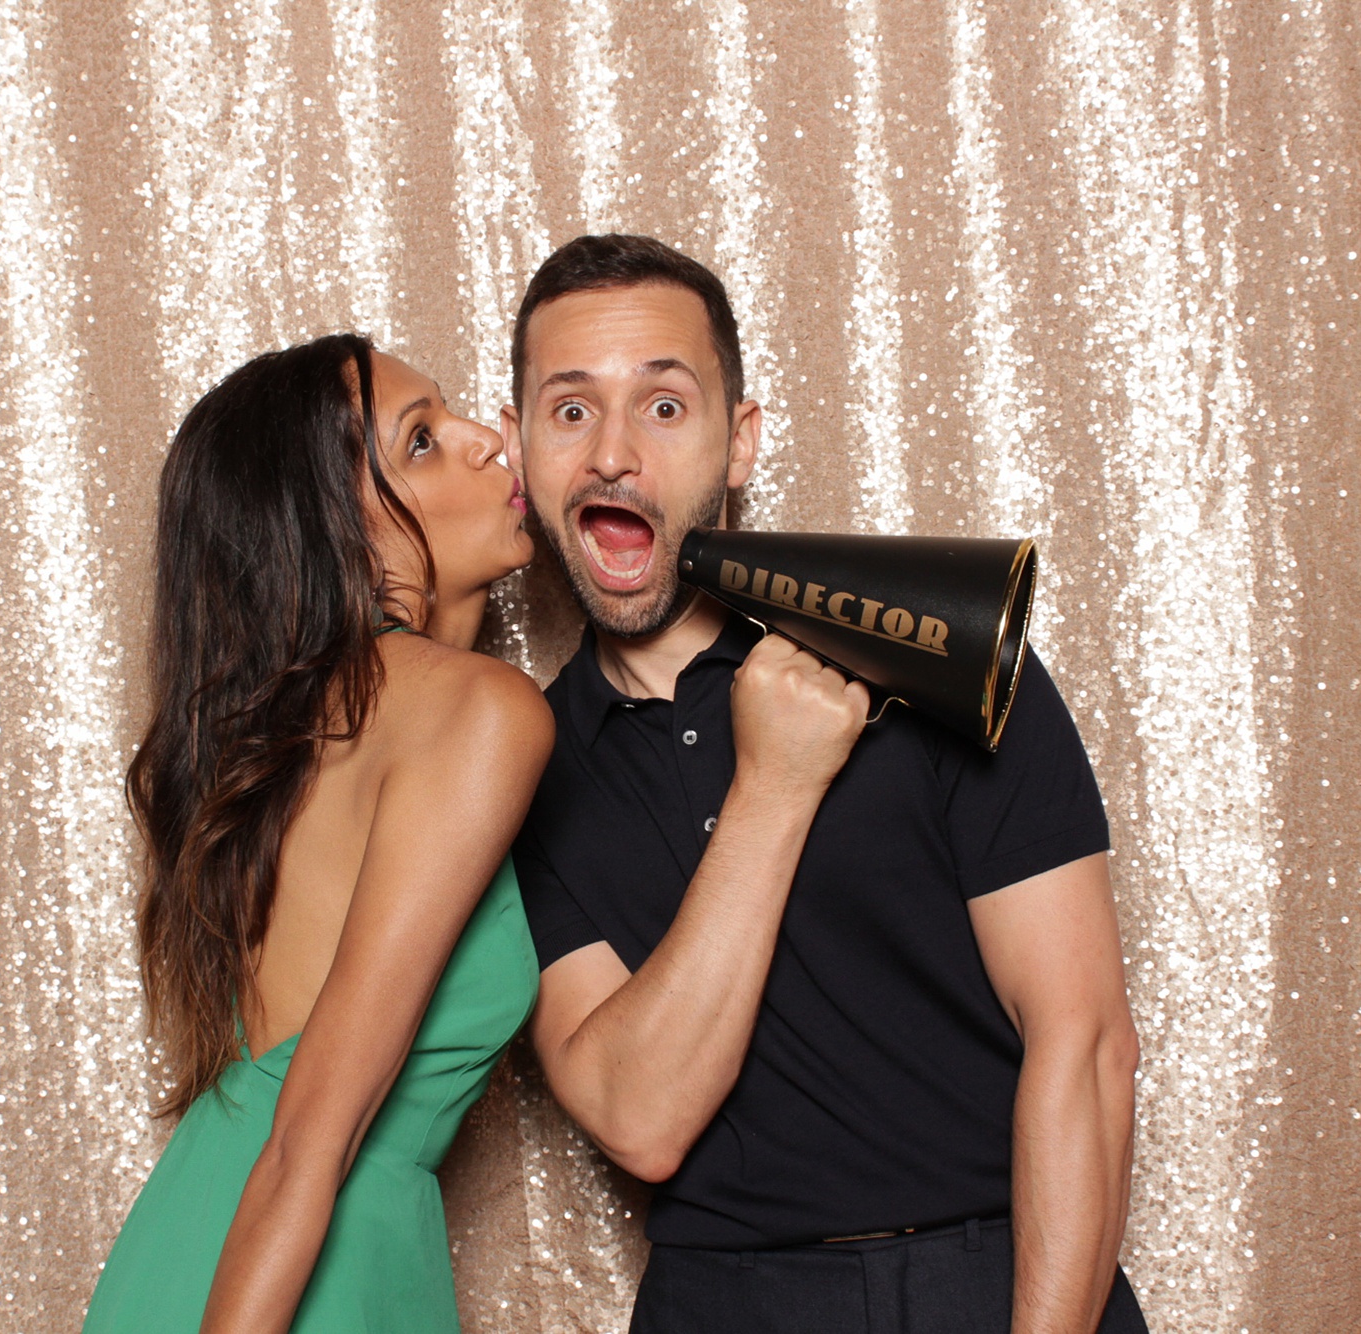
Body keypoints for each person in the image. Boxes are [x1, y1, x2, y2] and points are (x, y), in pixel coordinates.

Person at [500, 235, 1148, 1334]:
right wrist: (775, 785)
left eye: (663, 406)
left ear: (737, 441)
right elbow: (639, 1115)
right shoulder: (515, 762)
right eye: (570, 411)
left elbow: (1081, 1042)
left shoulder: (935, 649)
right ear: (519, 448)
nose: (612, 453)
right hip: (726, 1299)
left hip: (1006, 1278)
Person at [85, 334, 553, 1334]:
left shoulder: (290, 735)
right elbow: (308, 1135)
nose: (483, 440)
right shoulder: (480, 712)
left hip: (199, 1238)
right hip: (297, 1274)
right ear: (340, 532)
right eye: (422, 441)